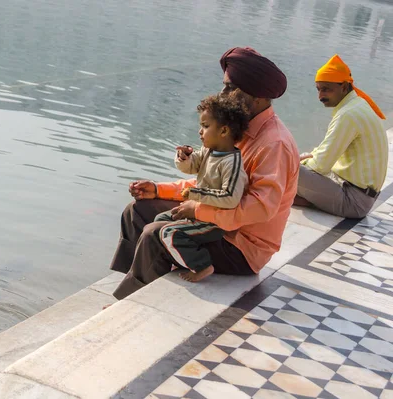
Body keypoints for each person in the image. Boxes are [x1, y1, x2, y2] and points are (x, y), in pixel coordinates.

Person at [109, 47, 299, 301]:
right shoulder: (235, 128)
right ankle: (132, 282)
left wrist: (197, 210)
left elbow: (261, 208)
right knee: (136, 211)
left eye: (231, 88)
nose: (223, 94)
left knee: (156, 233)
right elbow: (207, 182)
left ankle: (127, 301)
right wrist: (158, 189)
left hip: (241, 246)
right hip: (215, 224)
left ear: (257, 96)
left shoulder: (274, 143)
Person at [153, 94, 249, 283]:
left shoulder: (232, 162)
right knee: (159, 220)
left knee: (169, 232)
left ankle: (202, 265)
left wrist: (195, 194)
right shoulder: (209, 151)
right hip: (198, 212)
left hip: (214, 221)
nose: (200, 131)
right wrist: (184, 157)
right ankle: (174, 258)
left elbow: (230, 198)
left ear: (223, 131)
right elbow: (191, 166)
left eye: (205, 126)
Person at [295, 54, 388, 218]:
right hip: (357, 193)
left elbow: (321, 165)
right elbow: (324, 153)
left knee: (287, 168)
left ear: (344, 88)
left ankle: (301, 198)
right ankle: (304, 198)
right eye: (318, 89)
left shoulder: (348, 115)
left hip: (354, 201)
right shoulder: (356, 105)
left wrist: (296, 160)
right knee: (293, 165)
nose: (320, 96)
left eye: (326, 89)